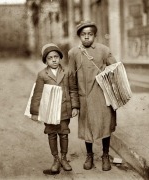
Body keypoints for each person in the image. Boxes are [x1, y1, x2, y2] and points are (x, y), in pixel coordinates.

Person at [68, 21, 118, 171]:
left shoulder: (104, 50)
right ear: (79, 37)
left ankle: (105, 155)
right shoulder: (74, 53)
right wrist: (75, 104)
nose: (87, 37)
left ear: (95, 35)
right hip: (85, 99)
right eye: (83, 35)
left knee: (105, 126)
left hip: (103, 97)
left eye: (90, 34)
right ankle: (89, 155)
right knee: (87, 128)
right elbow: (71, 78)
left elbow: (115, 69)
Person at [30, 43, 79, 173]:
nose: (53, 60)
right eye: (50, 58)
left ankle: (64, 158)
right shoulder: (42, 75)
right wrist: (34, 112)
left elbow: (73, 90)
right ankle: (56, 159)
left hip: (64, 109)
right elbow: (37, 94)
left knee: (63, 134)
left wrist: (75, 106)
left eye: (56, 57)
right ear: (46, 60)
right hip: (49, 111)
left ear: (60, 58)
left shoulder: (67, 72)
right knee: (52, 134)